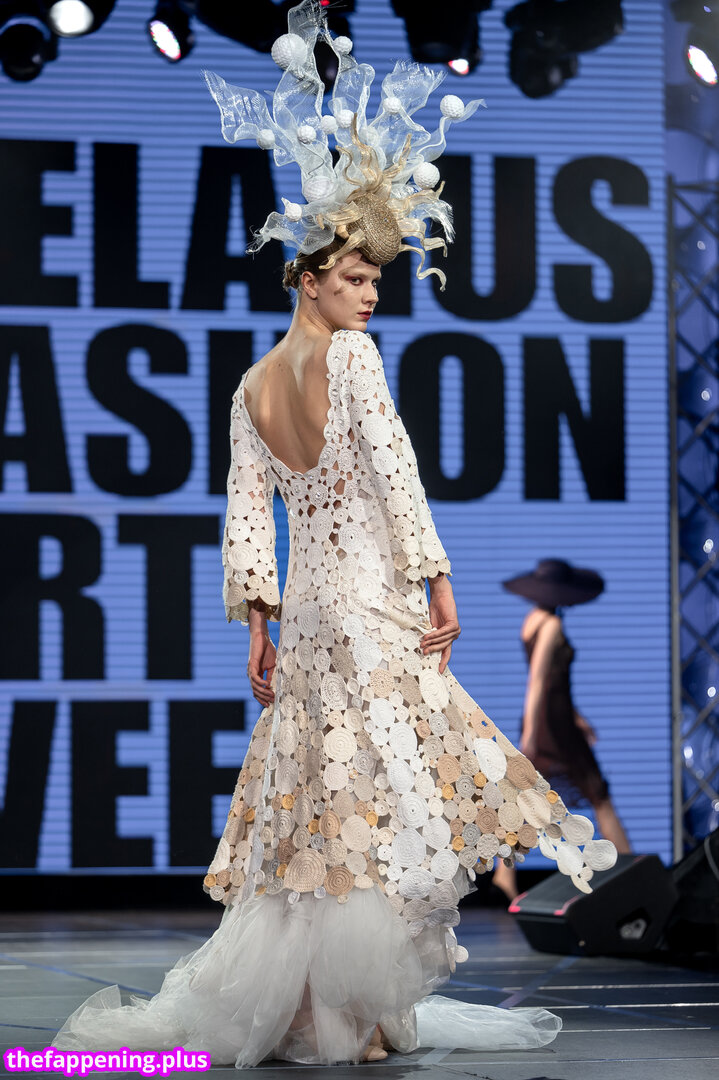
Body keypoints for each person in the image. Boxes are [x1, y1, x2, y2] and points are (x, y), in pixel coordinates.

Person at [53, 2, 616, 1066]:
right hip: (364, 603)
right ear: (307, 277)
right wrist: (437, 580)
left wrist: (257, 627)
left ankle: (323, 1009)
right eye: (354, 279)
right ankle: (347, 1014)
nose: (369, 298)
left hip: (309, 615)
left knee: (321, 804)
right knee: (373, 802)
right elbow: (394, 476)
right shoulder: (348, 360)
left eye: (376, 281)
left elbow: (243, 517)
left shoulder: (250, 386)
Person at [494, 558, 631, 902]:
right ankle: (630, 871)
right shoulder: (552, 624)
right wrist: (529, 737)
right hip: (553, 730)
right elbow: (538, 681)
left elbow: (554, 684)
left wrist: (577, 717)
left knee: (530, 801)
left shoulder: (531, 620)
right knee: (598, 795)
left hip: (555, 722)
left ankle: (504, 875)